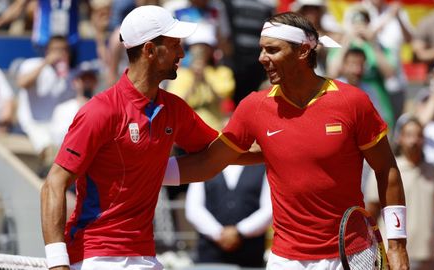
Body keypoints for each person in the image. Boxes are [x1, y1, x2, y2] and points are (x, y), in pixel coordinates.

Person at [166, 11, 409, 270]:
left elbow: (387, 170)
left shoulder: (352, 102)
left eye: (272, 50)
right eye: (261, 50)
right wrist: (143, 172)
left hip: (351, 254)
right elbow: (209, 163)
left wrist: (397, 246)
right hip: (286, 260)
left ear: (303, 52)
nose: (262, 58)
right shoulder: (254, 107)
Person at [40, 5, 220, 270]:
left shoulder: (173, 108)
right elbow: (53, 184)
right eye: (174, 45)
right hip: (96, 258)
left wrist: (284, 143)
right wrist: (58, 265)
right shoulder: (100, 110)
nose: (182, 53)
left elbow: (221, 152)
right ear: (149, 50)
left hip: (143, 257)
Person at [365, 115, 434, 270]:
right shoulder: (385, 171)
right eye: (409, 135)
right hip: (394, 255)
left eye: (419, 135)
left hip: (428, 254)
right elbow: (372, 211)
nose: (414, 141)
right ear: (399, 138)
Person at [185, 164, 272, 267]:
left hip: (250, 252)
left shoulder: (263, 167)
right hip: (211, 252)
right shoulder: (203, 164)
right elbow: (193, 208)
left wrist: (240, 231)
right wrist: (218, 233)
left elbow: (269, 209)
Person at [16, 35, 75, 171]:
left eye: (64, 50)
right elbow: (22, 83)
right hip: (32, 123)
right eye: (56, 49)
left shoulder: (68, 75)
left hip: (54, 125)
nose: (60, 53)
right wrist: (46, 63)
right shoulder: (32, 64)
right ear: (47, 51)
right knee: (48, 149)